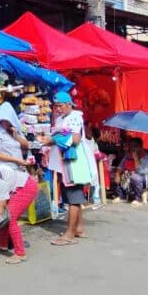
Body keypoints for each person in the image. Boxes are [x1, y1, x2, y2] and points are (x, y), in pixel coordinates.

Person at [45, 91, 96, 246]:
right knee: (70, 196)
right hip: (63, 163)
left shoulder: (75, 117)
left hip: (73, 163)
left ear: (69, 104)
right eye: (56, 106)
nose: (58, 109)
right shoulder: (61, 118)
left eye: (60, 105)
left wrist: (53, 140)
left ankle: (69, 234)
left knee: (74, 198)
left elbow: (75, 139)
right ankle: (78, 228)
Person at [0, 100, 31, 229]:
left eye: (7, 120)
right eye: (2, 120)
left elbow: (26, 145)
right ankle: (5, 234)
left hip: (19, 171)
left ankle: (7, 234)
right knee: (8, 206)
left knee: (13, 207)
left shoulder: (14, 130)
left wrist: (16, 136)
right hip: (6, 172)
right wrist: (16, 160)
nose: (5, 123)